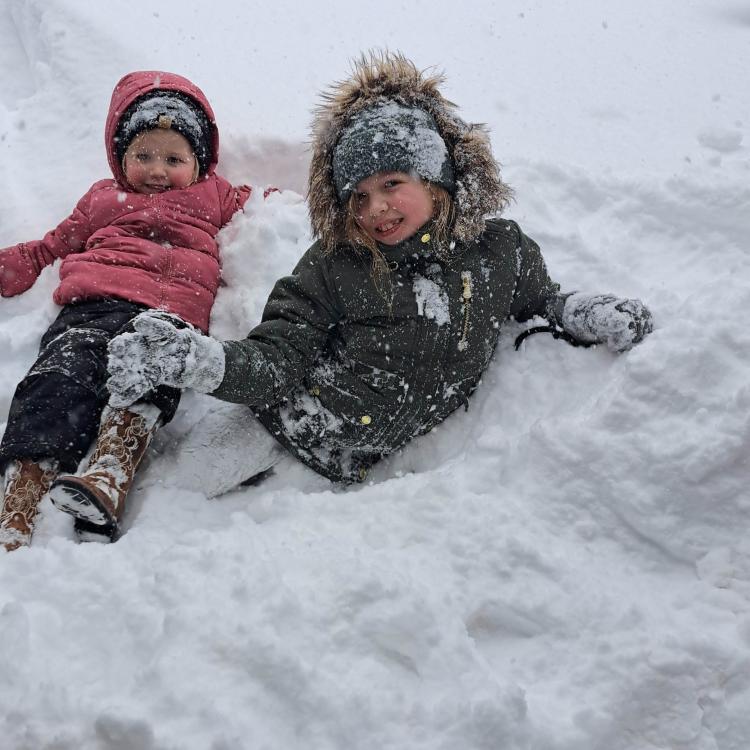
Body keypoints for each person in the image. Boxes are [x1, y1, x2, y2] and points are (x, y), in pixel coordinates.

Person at [105, 52, 653, 506]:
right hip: (292, 420)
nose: (377, 208)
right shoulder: (333, 265)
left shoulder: (499, 251)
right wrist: (199, 360)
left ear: (437, 179)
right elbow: (275, 358)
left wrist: (586, 312)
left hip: (372, 463)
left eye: (392, 183)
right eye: (360, 196)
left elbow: (541, 301)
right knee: (183, 492)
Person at [0, 70, 254, 550]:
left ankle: (110, 473)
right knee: (57, 379)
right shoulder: (103, 198)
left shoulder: (216, 194)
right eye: (143, 155)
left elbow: (268, 209)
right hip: (92, 306)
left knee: (150, 374)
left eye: (174, 158)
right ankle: (21, 494)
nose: (158, 170)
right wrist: (19, 263)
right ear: (121, 157)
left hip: (166, 313)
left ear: (200, 161)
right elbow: (55, 244)